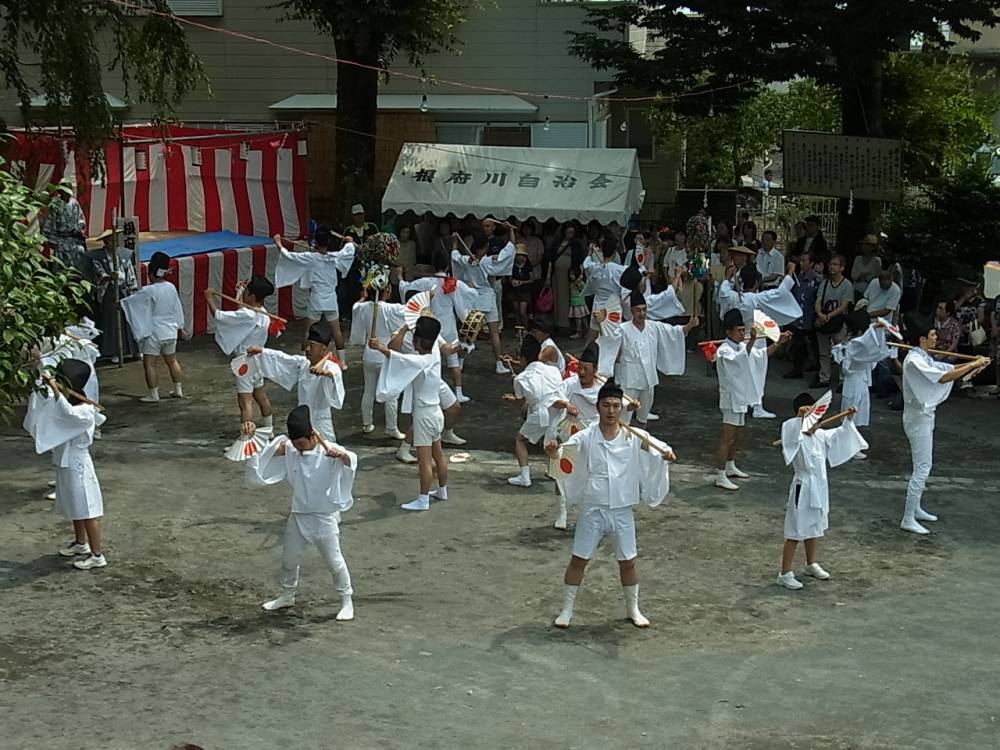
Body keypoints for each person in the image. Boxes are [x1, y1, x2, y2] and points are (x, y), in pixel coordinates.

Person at [544, 381, 674, 629]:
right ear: (598, 407)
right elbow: (564, 457)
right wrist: (553, 454)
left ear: (622, 408)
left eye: (616, 406)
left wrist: (666, 453)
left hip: (622, 509)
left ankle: (633, 609)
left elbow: (656, 447)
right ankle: (567, 610)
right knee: (579, 559)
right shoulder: (585, 436)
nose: (611, 411)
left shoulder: (632, 435)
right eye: (606, 405)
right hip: (594, 508)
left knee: (628, 561)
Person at [246, 405, 356, 620]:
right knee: (289, 559)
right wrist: (251, 437)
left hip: (323, 517)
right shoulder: (292, 450)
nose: (299, 448)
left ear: (312, 435)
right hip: (298, 515)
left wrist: (341, 455)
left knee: (334, 561)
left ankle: (346, 600)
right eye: (295, 444)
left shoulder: (330, 450)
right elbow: (267, 451)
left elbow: (350, 459)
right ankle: (287, 595)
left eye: (301, 443)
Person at [899, 322, 991, 534]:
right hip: (916, 419)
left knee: (924, 465)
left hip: (924, 416)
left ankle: (916, 508)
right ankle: (908, 517)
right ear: (922, 339)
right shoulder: (914, 360)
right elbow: (943, 377)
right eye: (932, 335)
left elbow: (948, 369)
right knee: (922, 467)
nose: (935, 338)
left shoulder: (924, 357)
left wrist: (974, 365)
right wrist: (972, 364)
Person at [776, 394, 866, 590]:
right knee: (795, 529)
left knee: (814, 526)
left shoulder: (821, 435)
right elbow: (790, 432)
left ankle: (810, 563)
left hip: (819, 487)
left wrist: (848, 419)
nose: (815, 422)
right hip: (803, 487)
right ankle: (784, 572)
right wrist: (800, 419)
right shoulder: (794, 434)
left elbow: (841, 435)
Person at [29, 359, 108, 570]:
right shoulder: (69, 402)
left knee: (87, 507)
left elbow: (67, 414)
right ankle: (81, 543)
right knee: (74, 505)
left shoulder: (84, 411)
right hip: (66, 462)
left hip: (78, 463)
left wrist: (55, 388)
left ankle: (97, 554)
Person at [371, 317, 450, 512]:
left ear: (417, 341)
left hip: (424, 415)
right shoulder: (436, 354)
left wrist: (379, 347)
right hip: (436, 412)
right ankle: (442, 490)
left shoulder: (420, 360)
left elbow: (398, 357)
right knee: (438, 454)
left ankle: (423, 499)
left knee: (424, 460)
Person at [597, 288, 698, 427]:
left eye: (644, 310)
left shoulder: (654, 327)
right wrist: (601, 323)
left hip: (648, 380)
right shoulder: (623, 328)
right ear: (632, 311)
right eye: (638, 310)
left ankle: (640, 445)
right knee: (624, 419)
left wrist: (690, 325)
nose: (642, 313)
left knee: (643, 418)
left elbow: (675, 332)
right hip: (629, 380)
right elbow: (608, 342)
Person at [713, 308, 784, 491]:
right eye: (738, 330)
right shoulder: (724, 350)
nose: (742, 334)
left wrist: (778, 342)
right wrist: (752, 340)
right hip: (730, 398)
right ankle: (720, 474)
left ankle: (730, 465)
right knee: (727, 437)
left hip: (741, 396)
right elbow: (738, 361)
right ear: (728, 332)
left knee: (736, 436)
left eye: (743, 330)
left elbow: (761, 356)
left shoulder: (742, 347)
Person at [718, 263, 800, 418]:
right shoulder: (758, 298)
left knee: (741, 370)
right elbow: (781, 292)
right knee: (756, 371)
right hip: (755, 338)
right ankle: (757, 406)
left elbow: (723, 292)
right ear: (756, 282)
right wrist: (790, 272)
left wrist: (727, 278)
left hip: (739, 338)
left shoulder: (733, 296)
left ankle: (744, 401)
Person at [398, 251, 479, 402]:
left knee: (429, 358)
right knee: (453, 361)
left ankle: (430, 388)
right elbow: (472, 294)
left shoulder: (426, 282)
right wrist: (472, 287)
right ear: (447, 265)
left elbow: (406, 289)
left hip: (431, 324)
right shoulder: (453, 282)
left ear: (432, 267)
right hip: (448, 325)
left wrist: (400, 278)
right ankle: (459, 392)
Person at [246, 321, 346, 442]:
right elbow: (284, 358)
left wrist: (326, 374)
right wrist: (262, 351)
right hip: (302, 417)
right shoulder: (303, 364)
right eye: (307, 345)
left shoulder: (331, 367)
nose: (308, 349)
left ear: (323, 349)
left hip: (321, 419)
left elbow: (335, 375)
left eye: (312, 346)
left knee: (325, 452)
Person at [204, 275, 275, 441]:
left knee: (245, 401)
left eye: (246, 292)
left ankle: (246, 437)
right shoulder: (263, 314)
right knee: (261, 396)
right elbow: (240, 309)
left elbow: (220, 316)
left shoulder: (248, 315)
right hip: (258, 361)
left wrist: (209, 299)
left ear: (251, 296)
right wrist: (240, 291)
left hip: (245, 362)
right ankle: (269, 429)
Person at [274, 228, 355, 364]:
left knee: (308, 331)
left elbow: (289, 256)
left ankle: (304, 361)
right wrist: (350, 242)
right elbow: (348, 251)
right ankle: (343, 362)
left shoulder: (311, 257)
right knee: (337, 331)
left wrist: (278, 243)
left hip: (317, 299)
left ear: (316, 241)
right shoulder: (334, 257)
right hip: (330, 299)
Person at [503, 335, 571, 488]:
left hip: (541, 412)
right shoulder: (553, 369)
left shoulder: (520, 379)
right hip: (559, 411)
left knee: (520, 440)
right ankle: (558, 471)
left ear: (523, 358)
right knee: (556, 443)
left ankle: (524, 476)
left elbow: (521, 402)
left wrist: (510, 400)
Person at [451, 224, 516, 374]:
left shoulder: (467, 259)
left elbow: (455, 256)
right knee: (493, 332)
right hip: (486, 297)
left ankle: (460, 362)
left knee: (469, 332)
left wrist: (455, 242)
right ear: (485, 247)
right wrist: (511, 231)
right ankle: (498, 364)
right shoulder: (486, 261)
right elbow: (508, 250)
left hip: (473, 298)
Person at [120, 251, 184, 403]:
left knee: (149, 364)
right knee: (172, 361)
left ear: (152, 274)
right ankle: (178, 389)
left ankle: (154, 394)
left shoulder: (149, 290)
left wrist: (120, 303)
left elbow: (132, 301)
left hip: (155, 331)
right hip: (170, 329)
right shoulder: (171, 287)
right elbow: (177, 307)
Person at [552, 344, 602, 530]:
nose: (581, 372)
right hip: (568, 434)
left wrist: (630, 408)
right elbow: (553, 399)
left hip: (591, 436)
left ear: (595, 370)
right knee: (560, 473)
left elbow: (613, 408)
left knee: (591, 477)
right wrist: (566, 403)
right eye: (579, 367)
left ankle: (588, 514)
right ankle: (562, 512)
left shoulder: (602, 388)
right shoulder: (570, 384)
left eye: (585, 369)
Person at [831, 310, 891, 459]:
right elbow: (847, 367)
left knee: (857, 415)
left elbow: (872, 360)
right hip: (853, 381)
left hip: (861, 381)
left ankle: (852, 445)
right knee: (849, 415)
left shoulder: (858, 345)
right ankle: (847, 447)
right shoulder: (853, 346)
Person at [350, 287, 406, 437]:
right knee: (391, 393)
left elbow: (355, 307)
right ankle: (391, 427)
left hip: (369, 355)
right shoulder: (391, 308)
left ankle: (367, 423)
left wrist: (362, 297)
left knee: (368, 391)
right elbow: (410, 311)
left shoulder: (362, 307)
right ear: (387, 291)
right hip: (384, 354)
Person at [88, 228, 140, 362]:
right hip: (109, 291)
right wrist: (108, 277)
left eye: (115, 240)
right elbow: (98, 274)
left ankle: (135, 350)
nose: (113, 243)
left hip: (124, 290)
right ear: (105, 242)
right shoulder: (97, 257)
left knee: (130, 320)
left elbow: (130, 273)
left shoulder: (125, 254)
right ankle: (115, 351)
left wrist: (132, 289)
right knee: (112, 322)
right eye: (110, 241)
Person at [813, 254, 853, 389]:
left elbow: (844, 305)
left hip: (838, 321)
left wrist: (828, 315)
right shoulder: (824, 283)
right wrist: (820, 314)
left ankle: (843, 379)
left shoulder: (847, 285)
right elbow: (818, 300)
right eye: (831, 264)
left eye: (835, 265)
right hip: (824, 319)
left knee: (841, 351)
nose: (832, 267)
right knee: (824, 352)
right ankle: (824, 377)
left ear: (842, 267)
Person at [785, 251, 822, 380]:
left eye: (804, 261)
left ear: (811, 263)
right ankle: (797, 369)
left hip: (810, 315)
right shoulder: (797, 278)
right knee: (798, 345)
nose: (801, 263)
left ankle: (817, 367)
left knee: (815, 344)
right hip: (797, 316)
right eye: (800, 260)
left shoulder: (817, 280)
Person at [542, 223, 585, 332]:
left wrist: (578, 275)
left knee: (568, 298)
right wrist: (548, 276)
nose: (570, 234)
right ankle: (558, 322)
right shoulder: (557, 243)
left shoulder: (576, 244)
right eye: (568, 232)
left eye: (572, 232)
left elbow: (580, 260)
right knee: (558, 297)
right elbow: (551, 260)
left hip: (570, 275)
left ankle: (568, 323)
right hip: (557, 274)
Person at [42, 188, 87, 274]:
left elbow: (80, 219)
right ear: (61, 192)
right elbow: (50, 224)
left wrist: (80, 229)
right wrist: (52, 242)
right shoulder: (55, 205)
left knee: (81, 253)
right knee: (61, 263)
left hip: (75, 240)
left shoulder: (74, 203)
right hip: (60, 240)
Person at [509, 246, 534, 330]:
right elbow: (509, 278)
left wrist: (522, 282)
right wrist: (513, 281)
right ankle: (519, 329)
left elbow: (532, 279)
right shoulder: (512, 266)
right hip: (515, 290)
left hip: (525, 290)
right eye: (517, 255)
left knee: (522, 311)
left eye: (520, 255)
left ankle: (526, 328)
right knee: (516, 311)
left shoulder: (528, 266)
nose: (519, 257)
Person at [567, 266, 589, 339]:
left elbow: (584, 289)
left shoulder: (579, 283)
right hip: (575, 303)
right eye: (570, 274)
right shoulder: (572, 282)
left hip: (579, 303)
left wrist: (579, 282)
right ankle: (584, 331)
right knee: (581, 319)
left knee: (580, 319)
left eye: (573, 274)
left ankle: (580, 332)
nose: (571, 276)